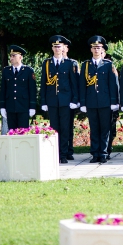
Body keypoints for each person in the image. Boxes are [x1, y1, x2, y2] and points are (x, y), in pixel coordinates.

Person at [79, 36, 118, 164]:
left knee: (105, 129)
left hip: (105, 102)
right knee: (94, 128)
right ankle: (95, 153)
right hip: (91, 102)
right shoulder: (85, 65)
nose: (96, 50)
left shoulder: (108, 65)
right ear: (91, 49)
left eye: (99, 48)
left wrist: (114, 102)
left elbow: (113, 85)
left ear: (102, 50)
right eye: (94, 48)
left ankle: (103, 153)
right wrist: (83, 103)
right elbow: (82, 85)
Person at [40, 35, 79, 164]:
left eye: (59, 46)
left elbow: (74, 83)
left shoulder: (69, 64)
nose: (57, 48)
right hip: (52, 101)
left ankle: (63, 154)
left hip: (65, 101)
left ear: (63, 48)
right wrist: (43, 101)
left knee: (64, 128)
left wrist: (74, 100)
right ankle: (54, 153)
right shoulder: (47, 63)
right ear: (52, 48)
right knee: (54, 128)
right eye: (55, 46)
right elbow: (44, 83)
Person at [0, 45, 36, 131]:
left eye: (14, 56)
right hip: (10, 107)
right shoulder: (6, 71)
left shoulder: (28, 71)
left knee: (23, 133)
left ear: (20, 57)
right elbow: (3, 89)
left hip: (23, 107)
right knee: (12, 133)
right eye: (11, 56)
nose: (11, 58)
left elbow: (32, 90)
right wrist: (2, 106)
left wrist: (32, 106)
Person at [63, 40, 79, 160]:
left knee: (68, 127)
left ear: (67, 49)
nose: (61, 50)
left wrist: (75, 99)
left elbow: (75, 83)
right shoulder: (51, 64)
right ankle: (62, 150)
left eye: (64, 47)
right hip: (59, 100)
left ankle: (69, 150)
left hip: (69, 101)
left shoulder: (72, 63)